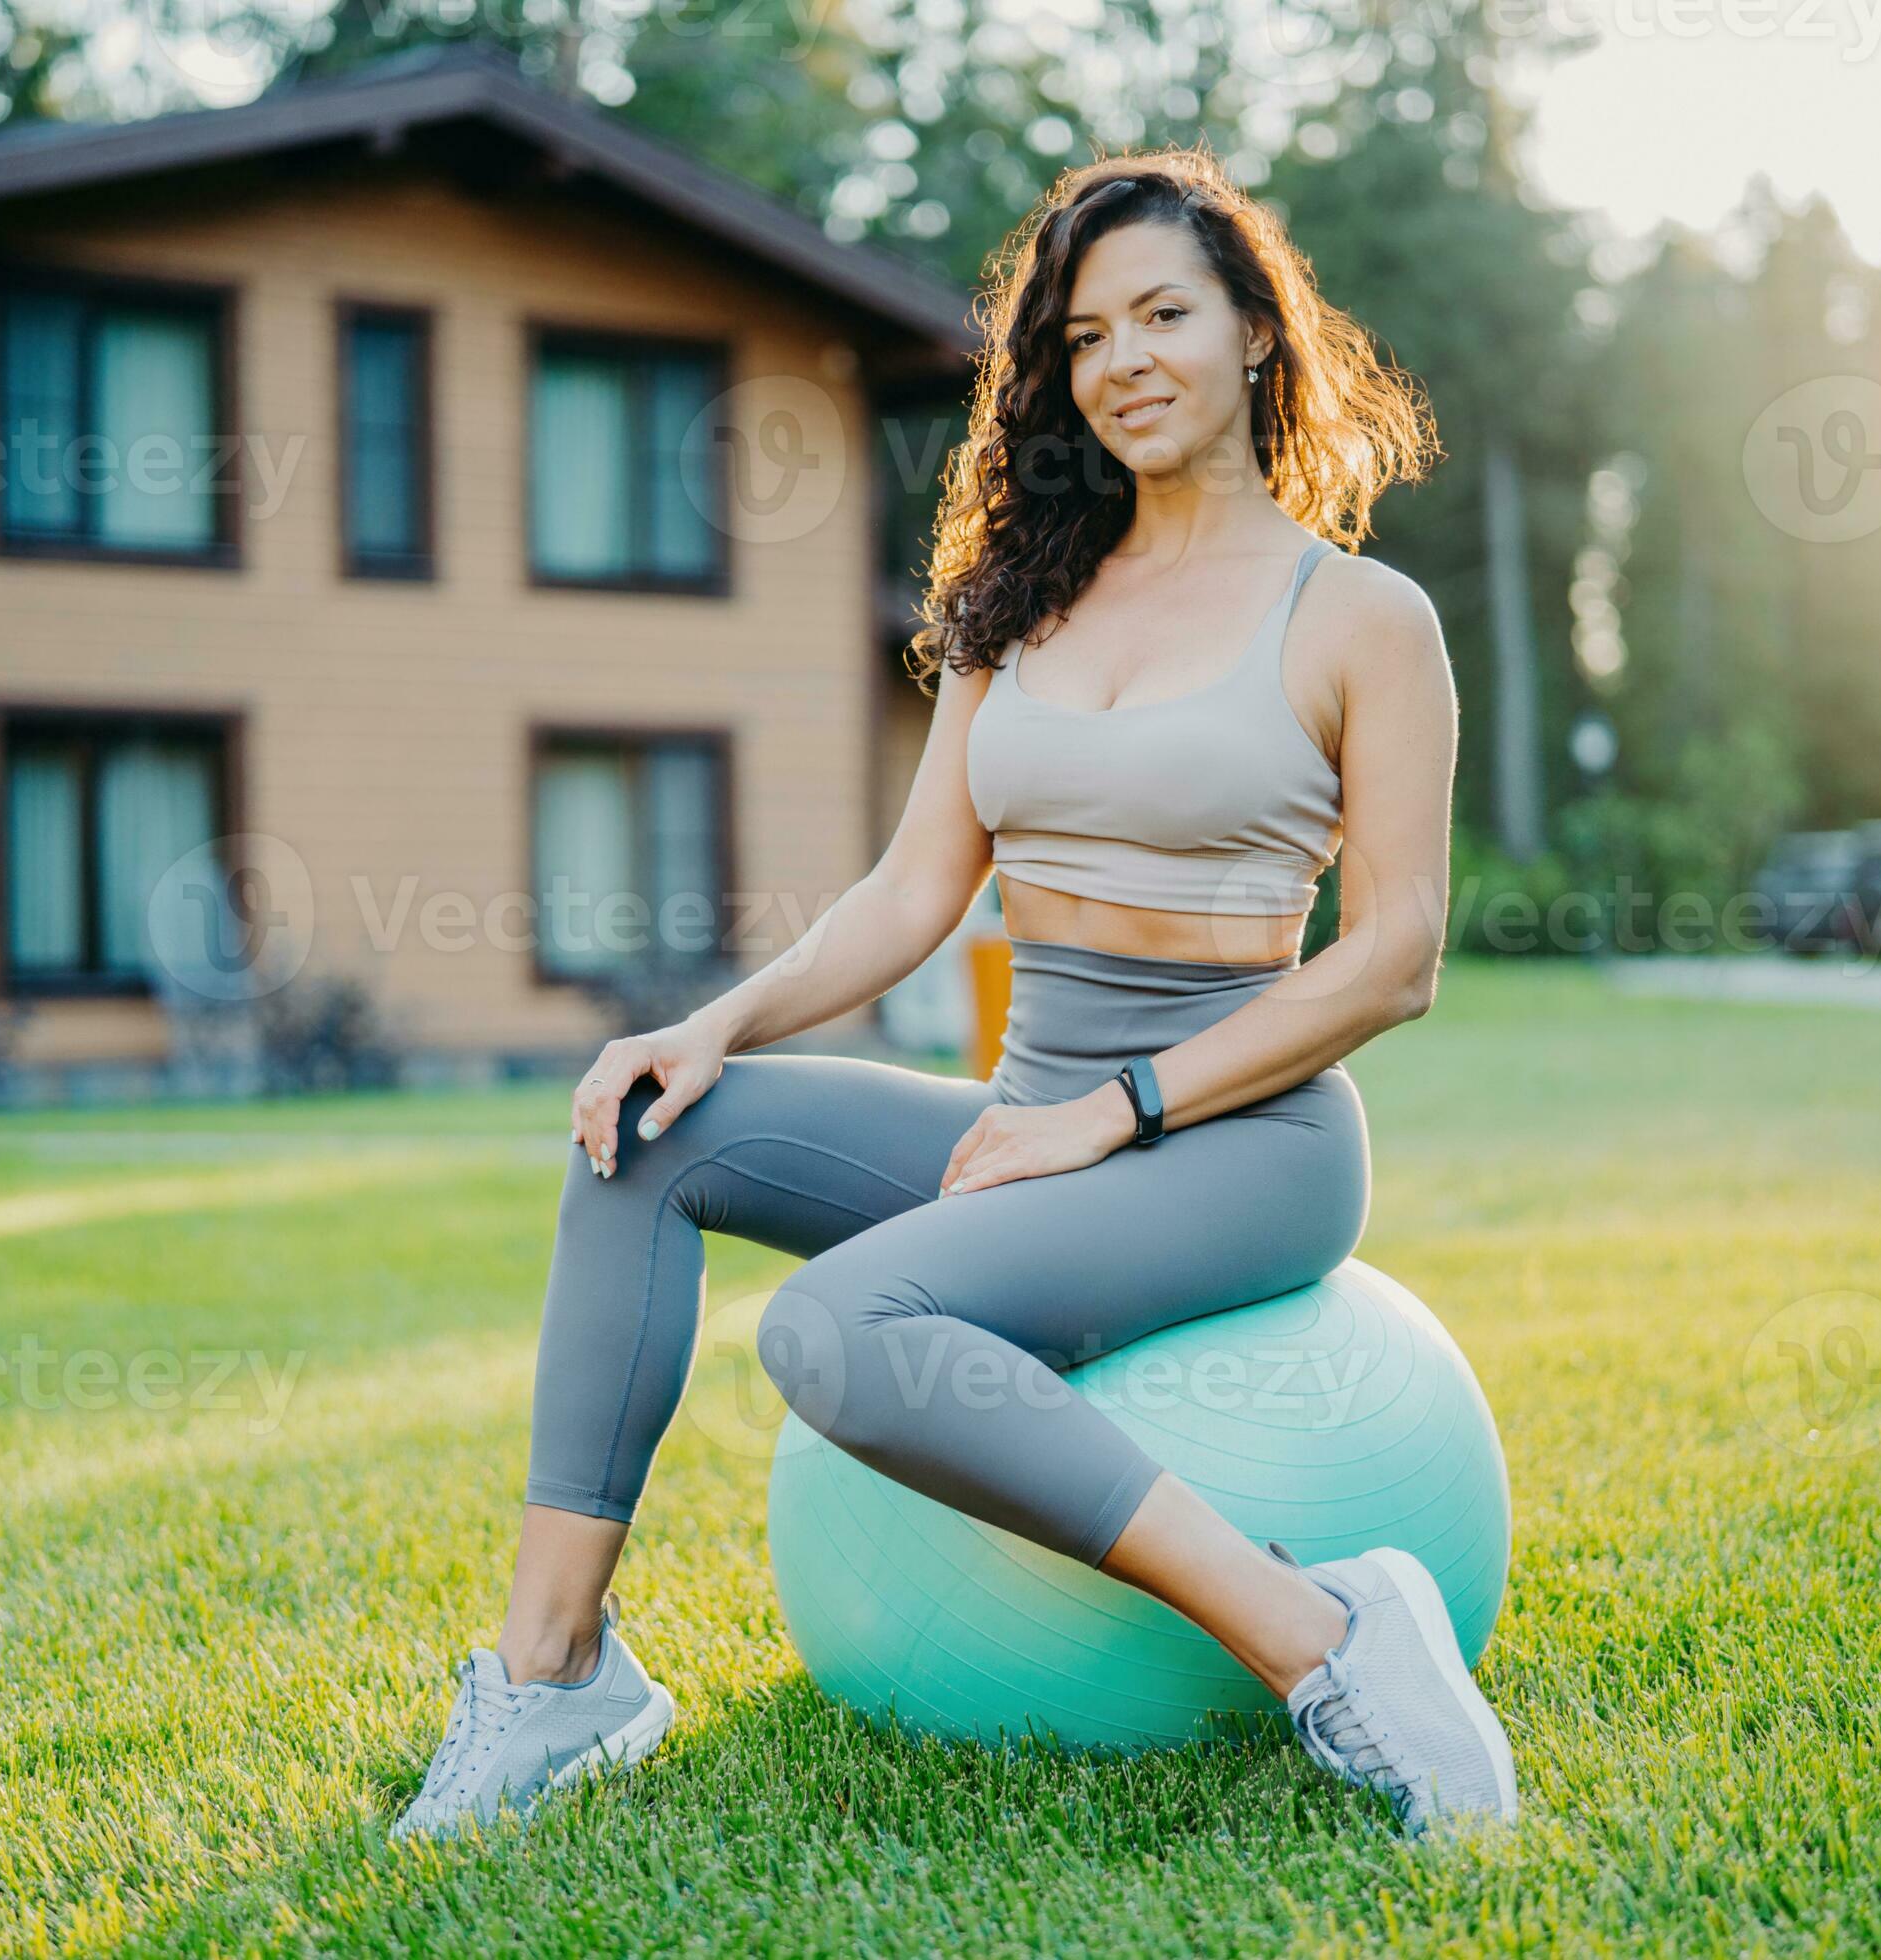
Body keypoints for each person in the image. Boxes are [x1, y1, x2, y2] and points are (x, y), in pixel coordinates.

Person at [395, 145, 1514, 1841]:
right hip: (1030, 1117)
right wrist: (711, 1029)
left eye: (1165, 314)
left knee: (842, 1329)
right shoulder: (1019, 606)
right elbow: (914, 893)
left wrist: (1113, 1114)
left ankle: (1324, 1629)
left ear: (1257, 337)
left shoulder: (1360, 613)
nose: (1125, 359)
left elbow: (1396, 955)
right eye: (1083, 335)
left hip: (1240, 1139)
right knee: (641, 1138)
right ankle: (556, 1677)